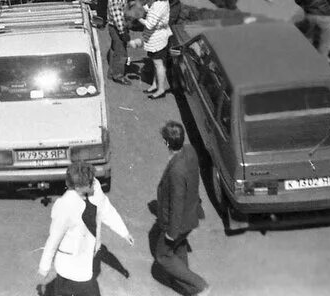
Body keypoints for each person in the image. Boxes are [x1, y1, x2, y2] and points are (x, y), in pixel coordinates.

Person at [37, 160, 133, 296]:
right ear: (77, 187)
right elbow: (54, 238)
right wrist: (44, 267)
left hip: (86, 259)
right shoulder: (65, 205)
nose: (93, 185)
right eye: (89, 184)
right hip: (70, 264)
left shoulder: (94, 185)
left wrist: (124, 232)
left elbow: (106, 209)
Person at [153, 121, 209, 296]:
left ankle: (200, 286)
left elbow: (176, 203)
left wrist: (171, 232)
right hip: (191, 213)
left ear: (167, 143)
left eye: (164, 140)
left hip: (179, 221)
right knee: (179, 247)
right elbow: (193, 179)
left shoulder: (176, 170)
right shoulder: (190, 151)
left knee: (163, 255)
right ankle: (186, 287)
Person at [140, 0, 173, 99]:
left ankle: (161, 89)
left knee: (158, 63)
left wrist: (137, 16)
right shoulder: (161, 0)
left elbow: (149, 25)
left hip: (157, 38)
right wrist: (143, 8)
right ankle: (155, 84)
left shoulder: (159, 5)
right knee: (155, 62)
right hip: (159, 36)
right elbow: (151, 11)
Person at [106, 0, 131, 85]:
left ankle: (111, 72)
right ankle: (118, 75)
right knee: (121, 52)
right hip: (117, 28)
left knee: (114, 49)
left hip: (115, 27)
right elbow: (118, 17)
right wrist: (123, 32)